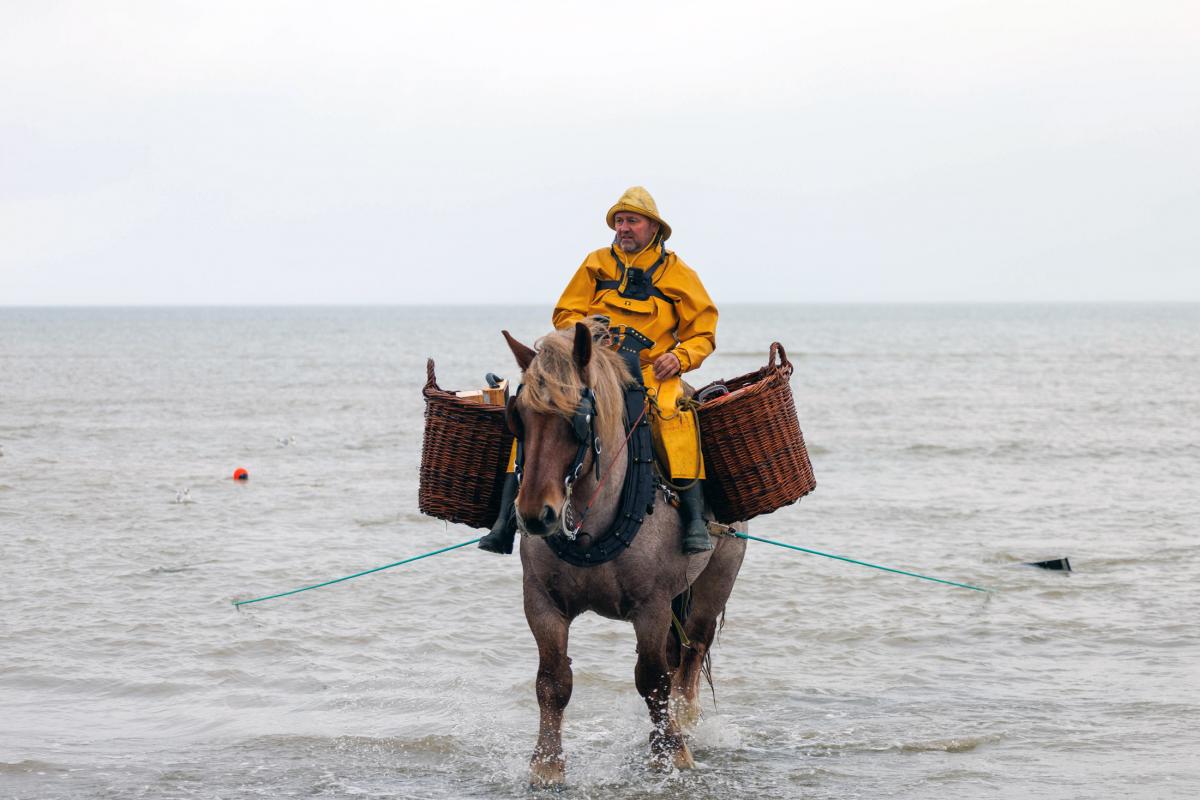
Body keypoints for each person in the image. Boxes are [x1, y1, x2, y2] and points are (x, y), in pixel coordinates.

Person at [479, 186, 718, 555]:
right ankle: (504, 523)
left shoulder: (679, 274)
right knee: (538, 414)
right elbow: (565, 314)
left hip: (651, 372)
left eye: (632, 221)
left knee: (675, 420)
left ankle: (694, 520)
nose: (623, 228)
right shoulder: (596, 263)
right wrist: (587, 333)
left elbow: (702, 331)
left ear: (653, 227)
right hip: (592, 368)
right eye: (619, 221)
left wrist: (682, 357)